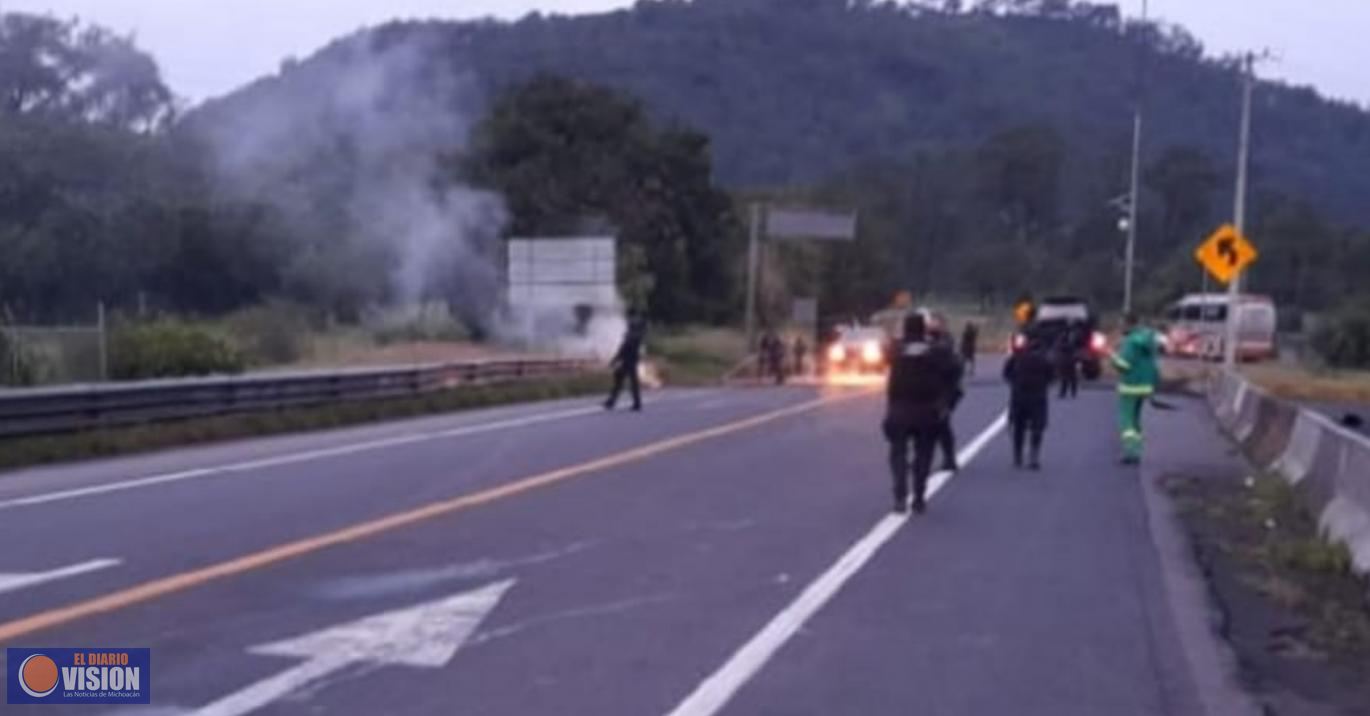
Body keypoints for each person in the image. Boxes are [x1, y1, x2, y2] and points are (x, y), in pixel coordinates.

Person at [883, 313, 962, 515]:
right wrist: (946, 399)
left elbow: (886, 353)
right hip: (927, 409)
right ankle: (918, 497)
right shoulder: (937, 351)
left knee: (898, 452)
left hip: (899, 408)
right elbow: (955, 368)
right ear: (923, 329)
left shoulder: (897, 350)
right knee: (924, 454)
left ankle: (900, 495)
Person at [1111, 313, 1162, 465]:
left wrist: (1112, 356)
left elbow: (1124, 365)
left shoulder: (1130, 342)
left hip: (1130, 386)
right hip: (1145, 386)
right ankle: (1137, 449)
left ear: (1128, 324)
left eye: (1121, 324)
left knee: (1127, 422)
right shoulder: (1148, 340)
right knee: (1136, 420)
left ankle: (1130, 452)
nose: (1120, 327)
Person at [1004, 329, 1055, 470]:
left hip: (1020, 395)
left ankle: (1018, 455)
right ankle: (1033, 455)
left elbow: (1007, 373)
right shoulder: (1044, 357)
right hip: (1037, 396)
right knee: (1036, 427)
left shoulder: (1018, 356)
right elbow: (1051, 375)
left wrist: (1014, 384)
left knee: (1019, 427)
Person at [929, 317, 965, 472]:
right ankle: (945, 458)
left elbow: (956, 369)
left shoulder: (945, 346)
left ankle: (949, 458)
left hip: (944, 391)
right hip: (932, 390)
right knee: (936, 425)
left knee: (941, 425)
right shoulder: (927, 345)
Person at [604, 318, 646, 412]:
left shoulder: (631, 337)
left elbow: (622, 351)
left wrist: (613, 361)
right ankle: (636, 403)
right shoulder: (637, 337)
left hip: (628, 363)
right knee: (630, 383)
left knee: (619, 382)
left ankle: (612, 402)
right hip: (632, 362)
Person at [1056, 324, 1081, 400]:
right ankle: (1068, 392)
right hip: (1069, 359)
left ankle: (1068, 392)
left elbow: (1060, 346)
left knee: (1068, 377)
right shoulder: (1068, 337)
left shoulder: (1071, 337)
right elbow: (1061, 346)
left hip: (1068, 359)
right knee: (1069, 377)